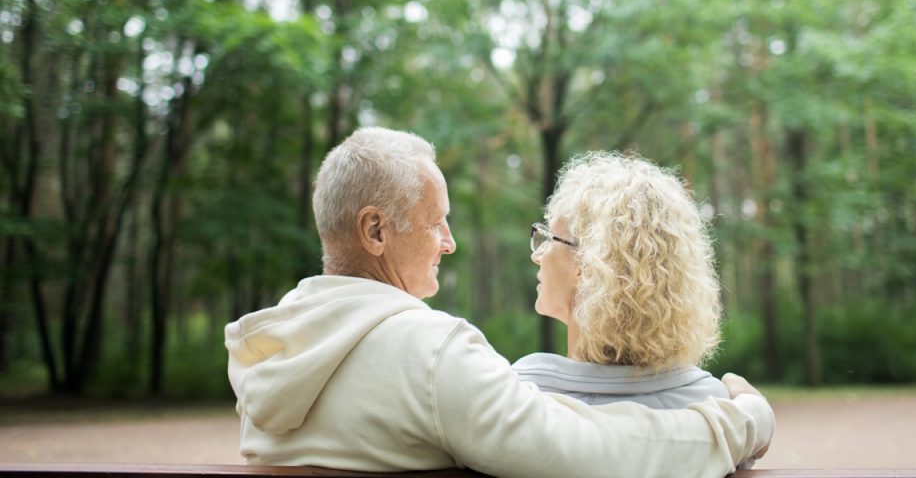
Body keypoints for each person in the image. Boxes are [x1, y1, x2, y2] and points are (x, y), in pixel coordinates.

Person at [225, 127, 773, 478]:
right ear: (375, 231)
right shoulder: (431, 356)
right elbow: (594, 452)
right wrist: (741, 421)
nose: (450, 241)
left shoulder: (272, 352)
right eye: (436, 221)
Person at [513, 152, 730, 410]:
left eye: (549, 238)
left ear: (588, 263)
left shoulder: (526, 396)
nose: (537, 255)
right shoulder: (713, 403)